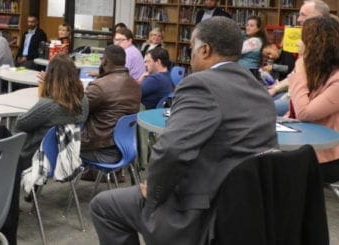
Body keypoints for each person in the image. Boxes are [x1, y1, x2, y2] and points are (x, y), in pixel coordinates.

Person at [90, 17, 278, 245]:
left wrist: (154, 193)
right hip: (248, 211)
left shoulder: (200, 84)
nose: (191, 56)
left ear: (205, 50)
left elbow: (171, 150)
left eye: (192, 49)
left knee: (104, 206)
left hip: (199, 210)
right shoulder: (258, 89)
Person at [288, 16, 339, 183]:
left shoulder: (336, 78)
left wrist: (300, 65)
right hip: (304, 144)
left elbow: (304, 112)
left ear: (314, 45)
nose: (298, 44)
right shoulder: (320, 71)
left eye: (302, 39)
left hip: (326, 156)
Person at [15, 54, 86, 166]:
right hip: (65, 156)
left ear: (51, 75)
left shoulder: (49, 106)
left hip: (36, 157)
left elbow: (20, 124)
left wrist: (44, 89)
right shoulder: (83, 100)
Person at [81, 45, 141, 164]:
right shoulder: (135, 85)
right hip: (125, 148)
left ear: (104, 61)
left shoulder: (99, 86)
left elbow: (76, 111)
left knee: (56, 134)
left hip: (98, 149)